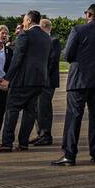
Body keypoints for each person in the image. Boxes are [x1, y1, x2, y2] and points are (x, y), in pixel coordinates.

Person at [53, 3, 95, 166]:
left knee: (74, 115)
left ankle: (69, 154)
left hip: (79, 79)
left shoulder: (78, 30)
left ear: (88, 14)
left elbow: (67, 55)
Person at [0, 10, 51, 152]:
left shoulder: (25, 35)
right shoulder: (46, 37)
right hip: (39, 80)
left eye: (24, 20)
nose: (23, 23)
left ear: (29, 20)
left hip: (23, 80)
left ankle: (7, 142)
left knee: (12, 109)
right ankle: (23, 142)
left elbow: (17, 59)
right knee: (30, 112)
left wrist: (7, 79)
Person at [34, 17, 61, 146]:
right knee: (37, 108)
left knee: (44, 108)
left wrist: (42, 77)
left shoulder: (53, 41)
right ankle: (40, 134)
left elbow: (52, 61)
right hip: (40, 80)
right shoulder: (42, 41)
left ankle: (46, 135)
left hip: (47, 81)